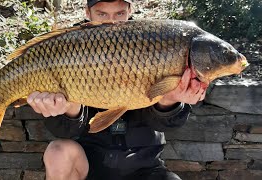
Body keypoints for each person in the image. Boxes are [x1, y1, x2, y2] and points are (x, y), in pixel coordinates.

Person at [27, 0, 207, 179]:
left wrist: (169, 102)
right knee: (58, 152)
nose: (111, 22)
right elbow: (63, 132)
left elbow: (165, 125)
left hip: (145, 168)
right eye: (102, 14)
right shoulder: (68, 46)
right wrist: (68, 110)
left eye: (119, 13)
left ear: (130, 10)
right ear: (87, 13)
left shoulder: (153, 42)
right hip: (88, 165)